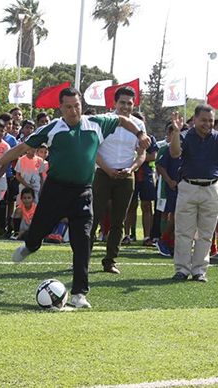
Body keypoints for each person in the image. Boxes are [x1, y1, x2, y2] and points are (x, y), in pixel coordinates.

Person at [0, 87, 150, 309]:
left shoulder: (96, 122)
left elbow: (122, 120)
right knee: (37, 232)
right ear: (60, 108)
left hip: (83, 192)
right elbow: (23, 147)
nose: (73, 111)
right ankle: (30, 245)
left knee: (82, 241)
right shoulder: (53, 128)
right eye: (68, 107)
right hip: (55, 190)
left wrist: (140, 134)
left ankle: (79, 293)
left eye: (77, 105)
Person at [169, 105, 218, 282]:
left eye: (210, 120)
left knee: (206, 233)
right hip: (188, 187)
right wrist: (175, 131)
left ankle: (199, 271)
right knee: (183, 232)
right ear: (194, 120)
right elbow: (174, 153)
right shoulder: (185, 135)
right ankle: (181, 269)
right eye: (203, 120)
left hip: (212, 188)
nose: (207, 124)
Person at [90, 86, 146, 274]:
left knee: (118, 221)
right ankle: (82, 258)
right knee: (93, 217)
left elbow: (142, 154)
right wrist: (107, 169)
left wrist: (131, 168)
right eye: (122, 102)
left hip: (126, 176)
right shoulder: (105, 120)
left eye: (129, 103)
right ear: (114, 103)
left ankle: (110, 261)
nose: (126, 106)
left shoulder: (139, 125)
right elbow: (93, 150)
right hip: (103, 173)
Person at [155, 123, 181, 257]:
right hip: (170, 187)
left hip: (185, 187)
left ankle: (171, 242)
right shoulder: (166, 148)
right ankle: (164, 240)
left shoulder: (186, 147)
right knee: (170, 214)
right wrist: (169, 180)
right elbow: (159, 166)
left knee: (179, 215)